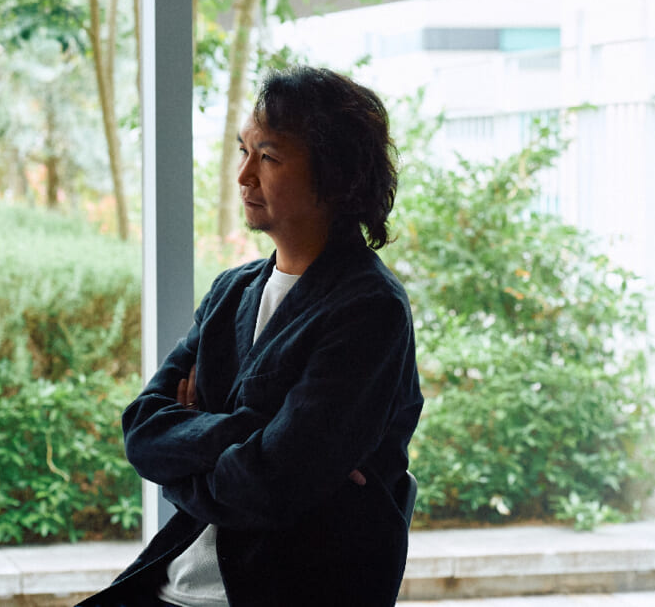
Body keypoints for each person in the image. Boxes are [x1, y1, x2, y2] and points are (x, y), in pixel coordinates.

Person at [78, 67, 423, 607]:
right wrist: (254, 431)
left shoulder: (369, 310)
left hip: (288, 588)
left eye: (268, 158)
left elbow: (272, 484)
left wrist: (190, 450)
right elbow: (142, 431)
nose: (243, 175)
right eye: (243, 151)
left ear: (335, 175)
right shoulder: (231, 291)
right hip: (175, 579)